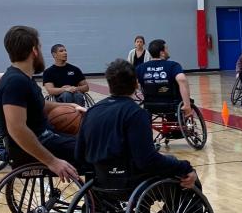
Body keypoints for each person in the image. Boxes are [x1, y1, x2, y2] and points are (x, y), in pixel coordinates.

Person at [75, 59, 197, 190]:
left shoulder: (92, 111)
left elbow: (79, 155)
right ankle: (189, 210)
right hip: (130, 184)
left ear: (109, 85)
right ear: (136, 84)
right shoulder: (136, 113)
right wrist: (184, 166)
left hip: (100, 182)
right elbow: (146, 160)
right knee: (184, 172)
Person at [0, 25, 81, 181]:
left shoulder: (22, 77)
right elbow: (16, 128)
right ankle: (99, 204)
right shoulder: (16, 82)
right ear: (34, 50)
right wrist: (52, 162)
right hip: (35, 147)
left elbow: (39, 105)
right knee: (99, 151)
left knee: (90, 140)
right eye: (40, 47)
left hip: (46, 137)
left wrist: (68, 106)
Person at [136, 39, 194, 118]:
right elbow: (182, 80)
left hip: (149, 105)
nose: (168, 51)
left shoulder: (140, 68)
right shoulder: (173, 65)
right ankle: (176, 128)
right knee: (186, 102)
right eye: (166, 49)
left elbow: (132, 84)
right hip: (172, 105)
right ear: (162, 53)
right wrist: (187, 105)